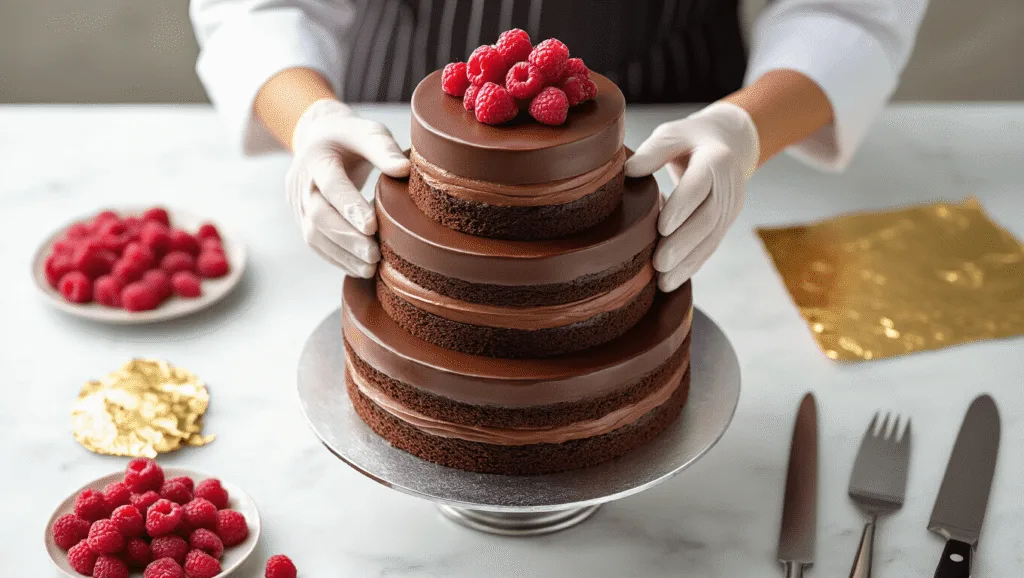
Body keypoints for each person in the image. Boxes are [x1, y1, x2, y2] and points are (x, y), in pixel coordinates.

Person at [190, 0, 928, 290]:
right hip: (396, 109)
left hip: (672, 121)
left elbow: (849, 9)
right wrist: (309, 118)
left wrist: (743, 129)